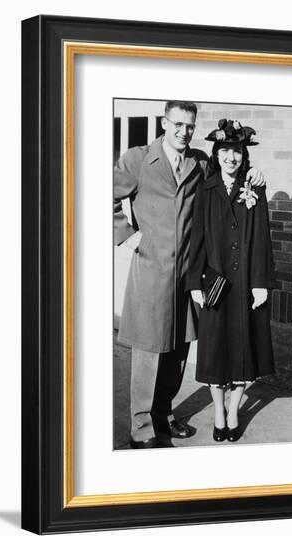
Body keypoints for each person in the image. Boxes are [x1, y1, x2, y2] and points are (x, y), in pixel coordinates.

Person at [114, 102, 266, 449]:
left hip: (188, 273)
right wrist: (126, 234)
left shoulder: (199, 161)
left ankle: (164, 415)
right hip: (152, 270)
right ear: (165, 123)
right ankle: (141, 427)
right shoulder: (138, 159)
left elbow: (230, 169)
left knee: (179, 349)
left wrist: (257, 175)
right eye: (178, 124)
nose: (184, 131)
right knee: (150, 349)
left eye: (190, 125)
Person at [186, 119, 275, 443]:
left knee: (243, 353)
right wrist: (195, 282)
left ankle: (234, 411)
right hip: (215, 287)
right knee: (214, 355)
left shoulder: (255, 187)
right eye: (225, 150)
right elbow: (196, 239)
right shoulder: (206, 191)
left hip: (246, 288)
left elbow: (263, 238)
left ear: (243, 154)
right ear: (217, 153)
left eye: (236, 151)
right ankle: (219, 412)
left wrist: (261, 282)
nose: (231, 157)